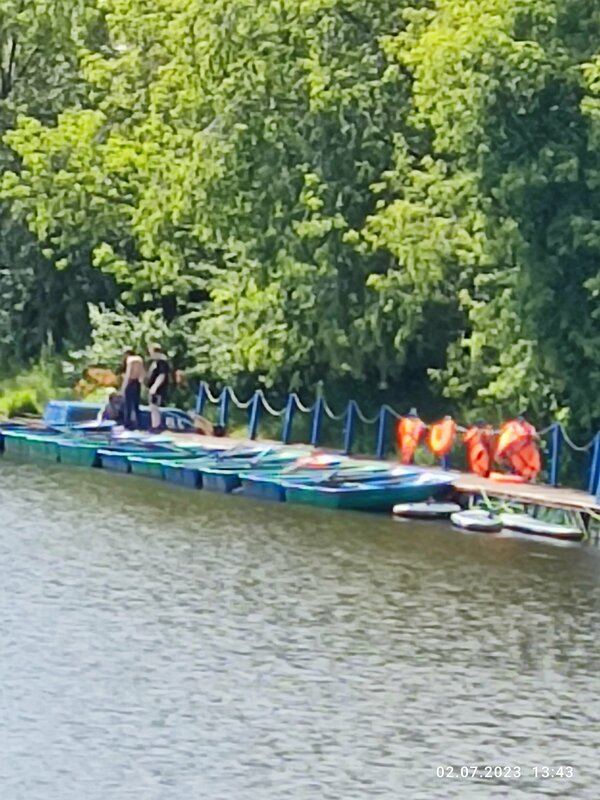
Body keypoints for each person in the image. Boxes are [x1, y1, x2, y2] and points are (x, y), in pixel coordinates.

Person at [147, 343, 170, 431]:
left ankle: (156, 426)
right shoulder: (155, 362)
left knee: (155, 407)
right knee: (153, 407)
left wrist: (155, 387)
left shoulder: (162, 362)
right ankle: (155, 424)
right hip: (154, 388)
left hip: (158, 389)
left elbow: (162, 375)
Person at [121, 348, 145, 430]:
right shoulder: (139, 359)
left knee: (127, 404)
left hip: (130, 382)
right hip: (137, 383)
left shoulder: (130, 360)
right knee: (136, 405)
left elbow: (128, 373)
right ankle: (139, 424)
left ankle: (127, 424)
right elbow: (142, 373)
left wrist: (124, 386)